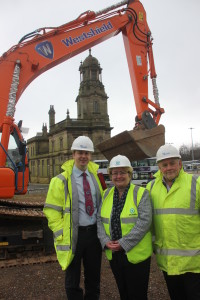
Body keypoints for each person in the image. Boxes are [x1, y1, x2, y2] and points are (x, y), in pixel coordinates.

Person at [43, 136, 103, 300]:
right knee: (72, 280)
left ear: (90, 155)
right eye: (80, 153)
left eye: (87, 153)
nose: (83, 156)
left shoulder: (96, 177)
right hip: (73, 235)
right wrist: (60, 231)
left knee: (93, 278)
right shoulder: (60, 181)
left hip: (93, 235)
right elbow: (51, 210)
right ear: (73, 154)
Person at [146, 144, 200, 300]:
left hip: (194, 263)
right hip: (168, 262)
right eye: (164, 164)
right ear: (159, 167)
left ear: (180, 163)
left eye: (172, 163)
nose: (169, 168)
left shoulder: (195, 184)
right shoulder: (151, 188)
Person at [97, 154, 152, 300]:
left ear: (129, 174)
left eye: (122, 172)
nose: (118, 176)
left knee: (137, 295)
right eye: (115, 173)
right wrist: (104, 241)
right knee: (124, 293)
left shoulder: (141, 193)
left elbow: (144, 222)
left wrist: (124, 243)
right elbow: (99, 220)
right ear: (110, 175)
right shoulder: (106, 194)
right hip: (114, 254)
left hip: (136, 255)